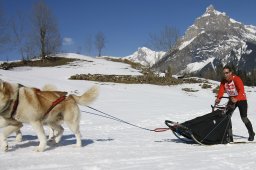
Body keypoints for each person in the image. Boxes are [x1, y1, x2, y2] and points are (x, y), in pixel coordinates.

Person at [215, 65, 255, 141]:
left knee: (244, 117)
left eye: (227, 73)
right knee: (227, 116)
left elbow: (241, 91)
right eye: (224, 73)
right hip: (232, 100)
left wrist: (236, 99)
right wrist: (218, 98)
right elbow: (221, 90)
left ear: (231, 73)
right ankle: (230, 136)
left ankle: (251, 133)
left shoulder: (236, 79)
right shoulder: (223, 81)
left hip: (241, 100)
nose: (225, 75)